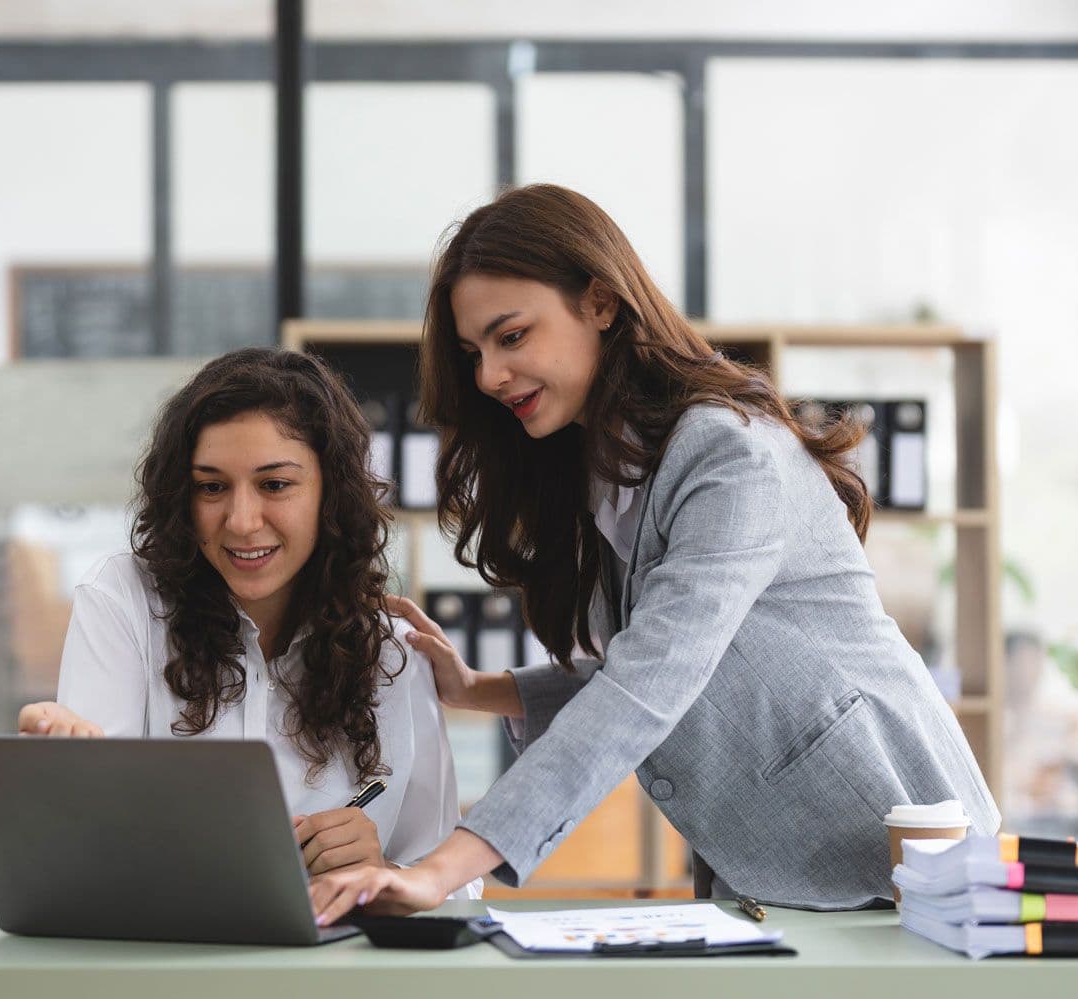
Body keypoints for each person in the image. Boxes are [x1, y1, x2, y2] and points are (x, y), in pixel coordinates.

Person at [306, 184, 999, 924]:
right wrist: (480, 689)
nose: (488, 376)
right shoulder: (607, 472)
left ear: (601, 303)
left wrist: (441, 868)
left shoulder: (729, 454)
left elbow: (653, 678)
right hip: (777, 877)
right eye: (476, 351)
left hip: (896, 858)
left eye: (511, 337)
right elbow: (651, 665)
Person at [16, 347, 460, 882]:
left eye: (275, 485)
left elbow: (451, 884)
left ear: (331, 494)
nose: (243, 522)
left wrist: (385, 873)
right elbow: (88, 850)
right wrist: (61, 776)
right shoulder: (124, 600)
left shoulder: (394, 651)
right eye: (212, 487)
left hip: (337, 960)